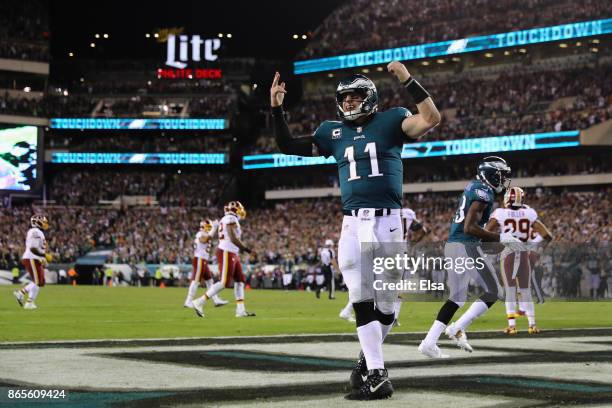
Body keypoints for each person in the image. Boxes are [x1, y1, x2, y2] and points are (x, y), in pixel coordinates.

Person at [271, 61, 441, 400]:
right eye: (345, 98)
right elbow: (287, 145)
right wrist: (276, 109)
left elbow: (431, 118)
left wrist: (407, 80)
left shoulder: (392, 120)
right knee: (361, 297)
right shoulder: (331, 132)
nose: (349, 102)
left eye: (356, 96)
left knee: (387, 306)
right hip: (352, 222)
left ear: (371, 97)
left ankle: (368, 360)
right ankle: (378, 374)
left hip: (388, 221)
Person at [419, 156, 521, 358]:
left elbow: (471, 228)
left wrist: (495, 242)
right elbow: (470, 227)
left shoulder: (475, 187)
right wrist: (501, 237)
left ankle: (429, 342)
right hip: (466, 246)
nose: (503, 180)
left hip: (454, 245)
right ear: (491, 175)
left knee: (456, 298)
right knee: (494, 291)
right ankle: (457, 327)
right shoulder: (484, 192)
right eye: (501, 176)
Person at [485, 186, 553, 334]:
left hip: (509, 252)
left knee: (510, 289)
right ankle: (532, 325)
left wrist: (494, 243)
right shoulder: (529, 212)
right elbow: (547, 235)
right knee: (525, 290)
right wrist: (535, 247)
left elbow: (485, 232)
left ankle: (512, 325)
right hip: (523, 252)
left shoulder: (500, 213)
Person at [193, 201, 255, 318]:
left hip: (232, 252)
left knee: (240, 281)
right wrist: (247, 249)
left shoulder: (228, 218)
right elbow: (232, 237)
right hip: (227, 252)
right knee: (224, 282)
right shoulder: (230, 218)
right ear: (236, 209)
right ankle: (199, 302)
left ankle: (240, 310)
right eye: (240, 209)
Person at [184, 219, 228, 308]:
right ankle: (188, 301)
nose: (209, 229)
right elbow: (204, 240)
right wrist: (214, 229)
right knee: (196, 281)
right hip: (199, 259)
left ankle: (216, 300)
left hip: (203, 260)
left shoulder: (205, 233)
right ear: (203, 227)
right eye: (208, 227)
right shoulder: (200, 234)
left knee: (210, 281)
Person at [14, 215, 51, 310]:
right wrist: (44, 256)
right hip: (32, 258)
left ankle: (24, 297)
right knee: (38, 282)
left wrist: (43, 258)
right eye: (43, 222)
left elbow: (37, 248)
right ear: (38, 222)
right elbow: (33, 248)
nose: (45, 224)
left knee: (40, 282)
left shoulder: (38, 232)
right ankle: (27, 300)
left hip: (35, 258)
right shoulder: (35, 232)